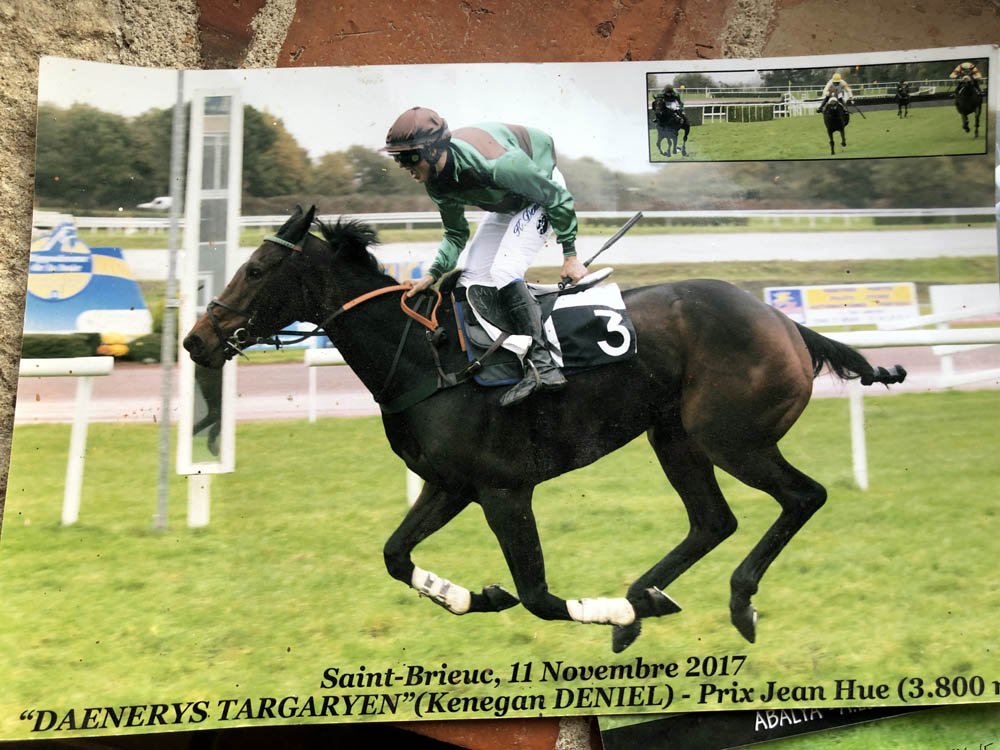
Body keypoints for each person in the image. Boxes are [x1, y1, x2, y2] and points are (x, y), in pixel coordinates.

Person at [384, 106, 588, 407]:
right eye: (398, 159)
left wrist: (570, 254)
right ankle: (504, 356)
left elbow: (556, 196)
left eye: (409, 158)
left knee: (505, 270)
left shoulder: (499, 165)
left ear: (432, 149)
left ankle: (543, 366)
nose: (405, 167)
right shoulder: (436, 183)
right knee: (472, 278)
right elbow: (455, 233)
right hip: (509, 200)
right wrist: (432, 274)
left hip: (542, 188)